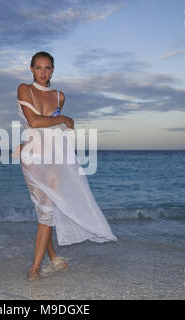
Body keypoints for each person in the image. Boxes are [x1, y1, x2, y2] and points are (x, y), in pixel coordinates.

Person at [13, 51, 117, 281]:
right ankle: (35, 270)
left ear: (53, 69)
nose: (43, 72)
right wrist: (60, 120)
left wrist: (61, 130)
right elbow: (34, 121)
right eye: (38, 68)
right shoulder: (24, 89)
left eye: (48, 68)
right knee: (46, 210)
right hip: (34, 160)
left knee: (46, 211)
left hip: (57, 159)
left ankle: (49, 260)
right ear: (31, 69)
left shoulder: (60, 96)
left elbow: (58, 132)